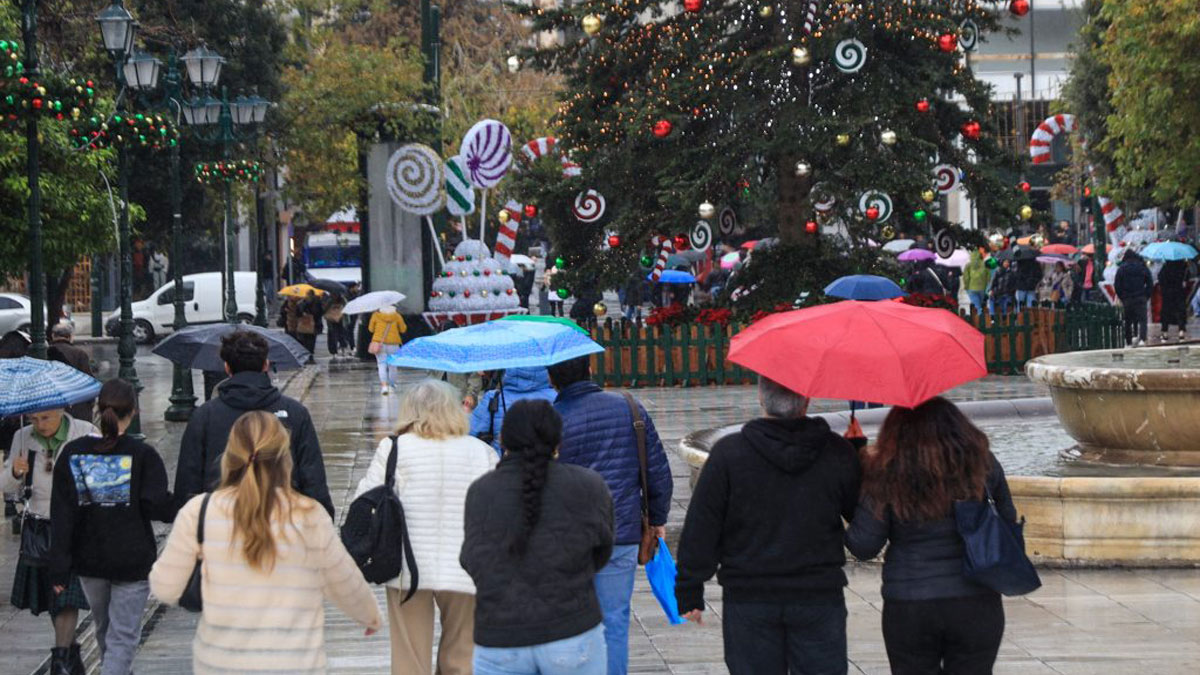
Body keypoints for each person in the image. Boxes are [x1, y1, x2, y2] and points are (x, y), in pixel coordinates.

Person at [151, 411, 381, 673]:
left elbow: (165, 587)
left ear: (230, 455)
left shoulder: (199, 511)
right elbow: (342, 578)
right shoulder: (308, 514)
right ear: (285, 458)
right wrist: (368, 614)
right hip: (295, 663)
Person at [675, 377, 861, 675]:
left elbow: (702, 526)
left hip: (750, 595)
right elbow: (859, 518)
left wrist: (689, 589)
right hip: (817, 595)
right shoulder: (836, 452)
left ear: (761, 397)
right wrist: (856, 455)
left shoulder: (729, 453)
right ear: (807, 401)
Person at [845, 397, 1019, 675]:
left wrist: (857, 465)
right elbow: (1007, 519)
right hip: (976, 599)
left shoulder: (886, 469)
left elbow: (864, 544)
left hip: (910, 603)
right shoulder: (981, 461)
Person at [354, 379, 498, 675]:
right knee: (462, 656)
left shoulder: (393, 448)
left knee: (409, 657)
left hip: (406, 567)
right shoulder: (481, 451)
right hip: (466, 567)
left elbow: (364, 500)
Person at [461, 400, 614, 675]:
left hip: (500, 635)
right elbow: (602, 550)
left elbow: (472, 559)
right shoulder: (589, 485)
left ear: (503, 439)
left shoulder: (481, 491)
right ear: (558, 439)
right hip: (571, 627)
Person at [548, 355, 672, 675]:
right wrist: (657, 519)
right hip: (621, 531)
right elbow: (657, 470)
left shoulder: (550, 420)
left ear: (552, 379)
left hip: (568, 539)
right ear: (590, 370)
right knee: (614, 620)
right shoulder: (630, 407)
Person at [49, 379, 174, 675]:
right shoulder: (142, 455)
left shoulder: (73, 453)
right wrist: (187, 502)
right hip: (132, 559)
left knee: (105, 629)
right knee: (123, 635)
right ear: (133, 412)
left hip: (89, 559)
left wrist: (59, 567)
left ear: (97, 409)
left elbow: (62, 514)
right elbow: (156, 505)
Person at [174, 330, 334, 516]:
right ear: (265, 364)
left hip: (220, 522)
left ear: (227, 367)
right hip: (283, 522)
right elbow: (312, 477)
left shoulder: (204, 416)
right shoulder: (295, 413)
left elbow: (188, 483)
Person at [3, 407, 97, 674]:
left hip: (75, 528)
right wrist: (15, 474)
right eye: (34, 419)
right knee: (53, 597)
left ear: (60, 410)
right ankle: (70, 656)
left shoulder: (85, 433)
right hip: (40, 528)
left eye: (46, 418)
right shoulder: (22, 437)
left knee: (66, 596)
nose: (40, 425)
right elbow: (6, 487)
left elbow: (101, 480)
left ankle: (60, 660)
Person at [468, 367, 558, 454]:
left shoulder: (494, 398)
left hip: (502, 463)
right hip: (546, 464)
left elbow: (472, 437)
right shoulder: (557, 398)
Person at [46, 323, 95, 423]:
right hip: (76, 408)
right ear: (70, 337)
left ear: (53, 336)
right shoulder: (79, 354)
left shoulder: (45, 352)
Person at [1114, 249, 1154, 346]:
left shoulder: (1122, 268)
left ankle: (1129, 340)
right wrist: (1146, 295)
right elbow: (1150, 282)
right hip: (1140, 296)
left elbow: (1117, 285)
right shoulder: (1142, 267)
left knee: (1128, 320)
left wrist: (1122, 296)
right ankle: (1142, 339)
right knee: (1143, 319)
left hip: (1127, 298)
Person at [367, 305, 407, 394]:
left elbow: (370, 329)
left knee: (381, 365)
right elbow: (403, 329)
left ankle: (384, 386)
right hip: (394, 343)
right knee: (392, 366)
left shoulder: (376, 315)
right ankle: (392, 385)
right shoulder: (396, 315)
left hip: (379, 343)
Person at [1158, 259, 1190, 341]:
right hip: (1179, 292)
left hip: (1167, 293)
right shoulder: (1183, 266)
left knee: (1166, 312)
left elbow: (1160, 278)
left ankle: (1165, 332)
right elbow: (1187, 277)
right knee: (1180, 311)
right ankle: (1181, 331)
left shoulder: (1165, 267)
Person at [295, 290, 323, 356]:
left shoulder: (316, 302)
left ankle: (309, 353)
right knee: (308, 340)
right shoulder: (303, 302)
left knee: (310, 340)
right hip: (307, 324)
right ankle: (308, 353)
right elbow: (298, 313)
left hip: (313, 324)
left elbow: (318, 312)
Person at [961, 250, 989, 315]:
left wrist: (966, 286)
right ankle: (983, 317)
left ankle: (979, 320)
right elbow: (988, 277)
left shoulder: (968, 265)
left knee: (977, 305)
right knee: (980, 303)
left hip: (971, 288)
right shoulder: (984, 264)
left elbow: (966, 278)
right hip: (982, 288)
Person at [323, 293, 349, 358]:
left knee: (341, 335)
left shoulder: (342, 300)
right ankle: (335, 351)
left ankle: (341, 349)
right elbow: (324, 309)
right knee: (333, 336)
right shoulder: (330, 300)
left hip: (340, 321)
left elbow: (347, 309)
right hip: (332, 321)